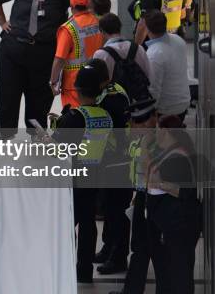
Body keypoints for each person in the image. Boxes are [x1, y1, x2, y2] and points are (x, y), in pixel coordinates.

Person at [0, 0, 76, 133]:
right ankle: (5, 135)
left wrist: (69, 26)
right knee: (8, 96)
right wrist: (3, 23)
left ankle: (36, 136)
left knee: (39, 100)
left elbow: (83, 3)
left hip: (43, 54)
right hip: (14, 51)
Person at [52, 64, 114, 283]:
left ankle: (66, 268)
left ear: (77, 90)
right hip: (94, 177)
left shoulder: (75, 118)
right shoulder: (106, 116)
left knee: (68, 225)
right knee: (88, 225)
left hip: (73, 180)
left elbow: (55, 149)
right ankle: (85, 271)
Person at [145, 114, 201, 294]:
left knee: (178, 273)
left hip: (179, 225)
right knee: (174, 270)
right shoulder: (173, 152)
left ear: (167, 132)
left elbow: (184, 191)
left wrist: (159, 184)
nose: (156, 134)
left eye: (158, 130)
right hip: (176, 224)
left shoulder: (178, 157)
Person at [87, 59, 133, 275]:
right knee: (109, 208)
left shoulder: (109, 101)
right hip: (113, 160)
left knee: (117, 212)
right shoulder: (114, 90)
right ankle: (108, 248)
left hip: (118, 162)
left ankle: (119, 257)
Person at [108, 98, 158, 294]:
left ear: (150, 121)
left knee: (154, 251)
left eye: (136, 123)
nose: (131, 127)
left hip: (155, 201)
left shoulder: (155, 141)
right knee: (139, 249)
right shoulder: (141, 139)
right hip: (142, 197)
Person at [50, 0, 102, 108]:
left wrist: (53, 82)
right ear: (88, 3)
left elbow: (59, 59)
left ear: (71, 5)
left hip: (74, 85)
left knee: (75, 121)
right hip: (95, 79)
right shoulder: (97, 22)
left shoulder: (68, 28)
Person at [144, 10, 190, 122]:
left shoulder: (154, 54)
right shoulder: (178, 40)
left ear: (147, 28)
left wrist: (149, 114)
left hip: (166, 110)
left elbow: (154, 89)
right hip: (183, 102)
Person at [93, 13, 150, 82]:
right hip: (138, 92)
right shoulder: (138, 48)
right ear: (120, 27)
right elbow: (148, 75)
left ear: (102, 31)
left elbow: (97, 82)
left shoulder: (100, 54)